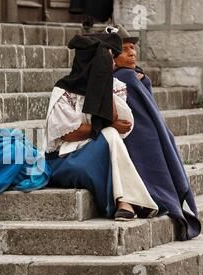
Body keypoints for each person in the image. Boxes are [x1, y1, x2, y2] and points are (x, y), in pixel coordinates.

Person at [43, 33, 159, 221]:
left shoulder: (115, 86)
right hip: (64, 159)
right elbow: (69, 135)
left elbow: (121, 122)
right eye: (105, 60)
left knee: (112, 134)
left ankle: (126, 202)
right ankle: (129, 201)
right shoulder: (63, 90)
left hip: (100, 152)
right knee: (111, 133)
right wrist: (103, 126)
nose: (110, 64)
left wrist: (103, 85)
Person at [109, 25, 201, 239]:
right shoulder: (126, 78)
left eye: (133, 48)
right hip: (133, 135)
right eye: (125, 49)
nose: (132, 53)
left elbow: (150, 113)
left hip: (147, 133)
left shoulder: (138, 77)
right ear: (112, 56)